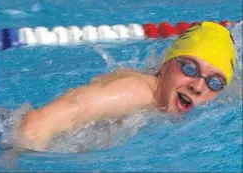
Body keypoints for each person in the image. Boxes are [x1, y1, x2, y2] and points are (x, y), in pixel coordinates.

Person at [16, 21, 236, 151]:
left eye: (214, 82)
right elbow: (36, 123)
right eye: (189, 68)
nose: (198, 86)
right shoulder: (132, 92)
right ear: (166, 64)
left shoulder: (171, 98)